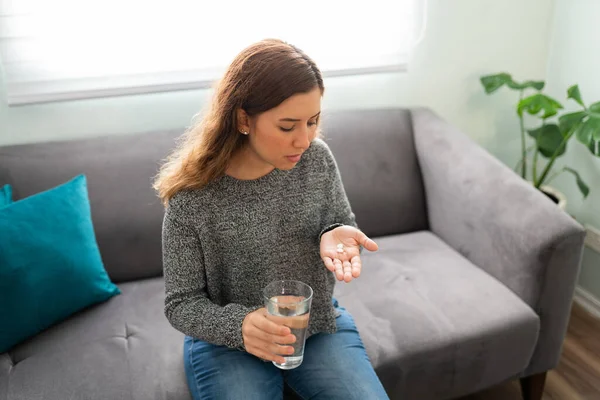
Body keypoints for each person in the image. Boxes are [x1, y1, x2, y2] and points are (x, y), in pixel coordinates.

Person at [153, 38, 389, 400]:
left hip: (315, 326)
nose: (305, 140)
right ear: (243, 119)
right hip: (226, 343)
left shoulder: (317, 160)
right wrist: (241, 325)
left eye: (313, 122)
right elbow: (181, 304)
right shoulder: (191, 198)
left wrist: (333, 231)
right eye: (287, 126)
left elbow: (339, 220)